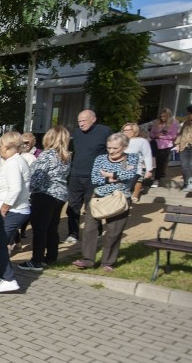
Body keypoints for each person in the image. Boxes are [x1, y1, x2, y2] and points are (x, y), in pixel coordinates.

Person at [73, 132, 139, 271]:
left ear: (124, 146)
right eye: (109, 148)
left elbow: (130, 175)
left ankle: (107, 262)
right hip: (99, 197)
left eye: (115, 148)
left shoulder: (131, 158)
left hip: (119, 199)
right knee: (90, 229)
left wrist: (109, 174)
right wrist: (112, 178)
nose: (111, 151)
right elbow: (95, 178)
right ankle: (87, 260)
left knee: (113, 232)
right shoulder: (101, 159)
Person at [0, 131, 31, 293]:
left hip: (12, 210)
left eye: (0, 146)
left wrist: (5, 207)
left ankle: (9, 279)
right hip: (11, 210)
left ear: (8, 147)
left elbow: (15, 188)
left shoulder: (13, 163)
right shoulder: (13, 161)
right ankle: (1, 274)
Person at [19, 126, 72, 272]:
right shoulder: (66, 156)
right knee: (52, 228)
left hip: (45, 195)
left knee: (40, 229)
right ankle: (51, 257)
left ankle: (36, 260)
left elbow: (37, 178)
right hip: (60, 195)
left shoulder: (47, 155)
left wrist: (28, 189)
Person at [65, 110, 111, 244]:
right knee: (73, 205)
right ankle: (73, 233)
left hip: (95, 176)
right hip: (76, 175)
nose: (81, 124)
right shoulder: (77, 133)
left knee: (92, 205)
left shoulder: (105, 131)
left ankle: (96, 231)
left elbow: (112, 150)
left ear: (93, 119)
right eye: (79, 121)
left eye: (84, 120)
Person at [121, 122, 154, 202]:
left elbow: (147, 155)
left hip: (136, 168)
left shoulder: (142, 141)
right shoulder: (120, 140)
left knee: (130, 186)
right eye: (125, 130)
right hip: (122, 167)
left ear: (135, 130)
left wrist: (149, 170)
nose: (127, 132)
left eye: (129, 130)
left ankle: (134, 195)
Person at [148, 108, 179, 187]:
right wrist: (156, 136)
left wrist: (162, 137)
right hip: (155, 143)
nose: (162, 118)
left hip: (165, 145)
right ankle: (152, 175)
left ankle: (157, 179)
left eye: (164, 116)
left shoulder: (173, 123)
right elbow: (151, 134)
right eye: (161, 116)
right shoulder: (156, 123)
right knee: (152, 160)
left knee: (161, 162)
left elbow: (173, 136)